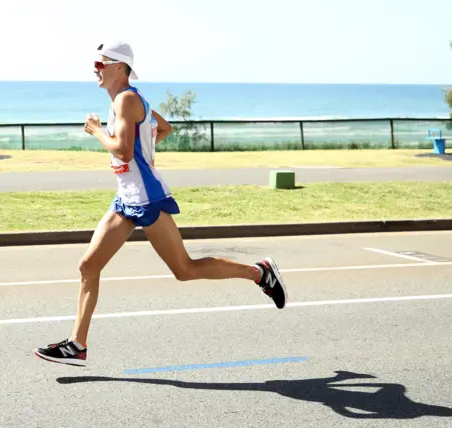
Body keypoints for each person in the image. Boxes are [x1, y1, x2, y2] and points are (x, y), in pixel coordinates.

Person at [33, 41, 288, 367]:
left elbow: (123, 152)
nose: (95, 68)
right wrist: (145, 150)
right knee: (88, 266)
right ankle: (76, 345)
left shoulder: (126, 100)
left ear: (120, 67)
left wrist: (97, 131)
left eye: (102, 63)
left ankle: (260, 273)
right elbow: (162, 129)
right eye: (95, 63)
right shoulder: (123, 101)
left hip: (148, 199)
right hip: (126, 198)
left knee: (185, 269)